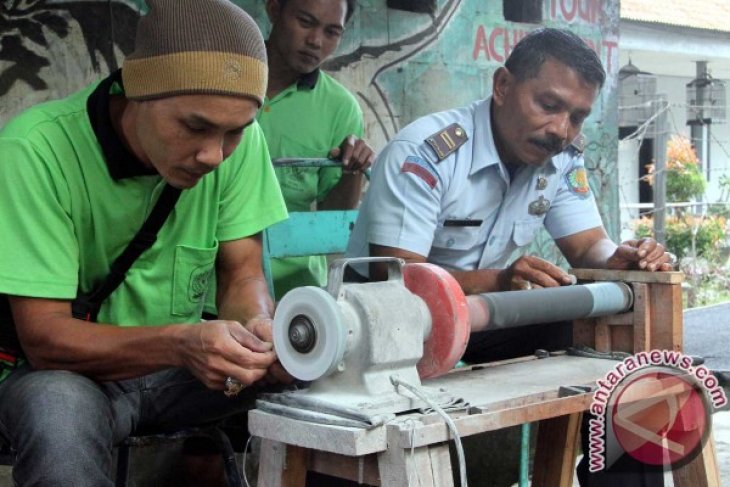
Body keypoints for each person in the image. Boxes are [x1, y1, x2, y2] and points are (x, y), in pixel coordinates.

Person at [345, 28, 670, 486]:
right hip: (390, 330)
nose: (561, 129)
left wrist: (627, 257)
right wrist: (498, 281)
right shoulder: (427, 152)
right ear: (502, 87)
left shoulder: (559, 161)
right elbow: (398, 285)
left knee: (616, 361)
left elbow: (588, 248)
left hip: (480, 320)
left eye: (577, 117)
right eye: (549, 105)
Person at [0, 1, 291, 485]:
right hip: (66, 373)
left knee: (317, 375)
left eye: (235, 132)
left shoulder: (238, 144)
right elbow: (45, 338)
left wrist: (258, 330)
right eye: (195, 127)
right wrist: (181, 344)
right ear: (137, 89)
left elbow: (242, 273)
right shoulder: (34, 151)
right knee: (59, 417)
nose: (214, 155)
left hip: (176, 371)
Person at [261, 0, 375, 300]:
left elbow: (331, 217)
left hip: (292, 291)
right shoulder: (224, 79)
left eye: (332, 32)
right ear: (274, 9)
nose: (316, 41)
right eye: (306, 22)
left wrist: (353, 171)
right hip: (205, 285)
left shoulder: (341, 108)